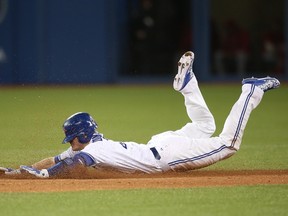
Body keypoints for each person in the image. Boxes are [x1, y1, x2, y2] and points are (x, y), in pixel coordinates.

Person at [0, 51, 280, 178]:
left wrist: (47, 175)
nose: (70, 145)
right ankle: (187, 85)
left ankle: (250, 91)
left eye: (71, 139)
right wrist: (18, 172)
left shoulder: (94, 151)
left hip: (168, 154)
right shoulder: (95, 144)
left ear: (82, 136)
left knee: (227, 143)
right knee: (204, 125)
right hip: (160, 146)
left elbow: (75, 165)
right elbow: (57, 158)